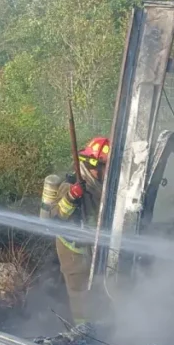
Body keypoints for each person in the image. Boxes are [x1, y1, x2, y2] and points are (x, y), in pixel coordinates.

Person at [42, 137, 109, 325]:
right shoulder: (71, 186)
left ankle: (100, 326)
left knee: (98, 290)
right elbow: (54, 218)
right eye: (106, 167)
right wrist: (71, 198)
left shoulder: (100, 186)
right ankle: (82, 332)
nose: (109, 172)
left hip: (93, 248)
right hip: (74, 251)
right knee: (80, 296)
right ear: (94, 165)